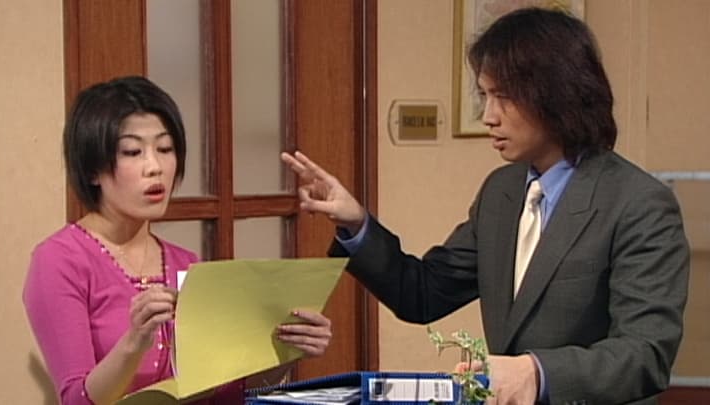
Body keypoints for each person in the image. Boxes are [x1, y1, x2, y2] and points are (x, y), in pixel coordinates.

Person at [281, 7, 689, 405]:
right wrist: (356, 224)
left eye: (502, 97)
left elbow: (645, 355)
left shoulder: (638, 203)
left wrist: (537, 372)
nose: (488, 117)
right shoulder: (501, 191)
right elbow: (422, 293)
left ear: (557, 93)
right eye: (484, 95)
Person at [23, 76, 333, 405]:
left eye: (165, 149)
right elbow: (76, 399)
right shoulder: (58, 261)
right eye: (132, 152)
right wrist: (133, 344)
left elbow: (222, 395)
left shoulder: (186, 263)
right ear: (91, 170)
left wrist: (285, 352)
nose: (155, 167)